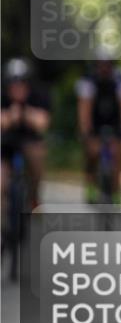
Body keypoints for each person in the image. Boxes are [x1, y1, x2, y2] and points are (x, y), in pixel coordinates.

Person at [76, 47, 121, 204]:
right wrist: (86, 132)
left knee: (117, 154)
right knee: (92, 153)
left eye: (107, 64)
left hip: (114, 120)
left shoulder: (119, 79)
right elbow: (84, 109)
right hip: (95, 121)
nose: (104, 68)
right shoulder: (88, 80)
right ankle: (91, 185)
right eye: (101, 64)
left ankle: (116, 191)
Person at [0, 58, 51, 213]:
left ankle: (34, 196)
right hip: (5, 146)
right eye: (13, 83)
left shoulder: (38, 95)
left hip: (30, 143)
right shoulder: (3, 97)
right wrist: (9, 117)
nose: (17, 87)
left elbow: (43, 123)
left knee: (37, 156)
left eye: (21, 83)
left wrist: (26, 114)